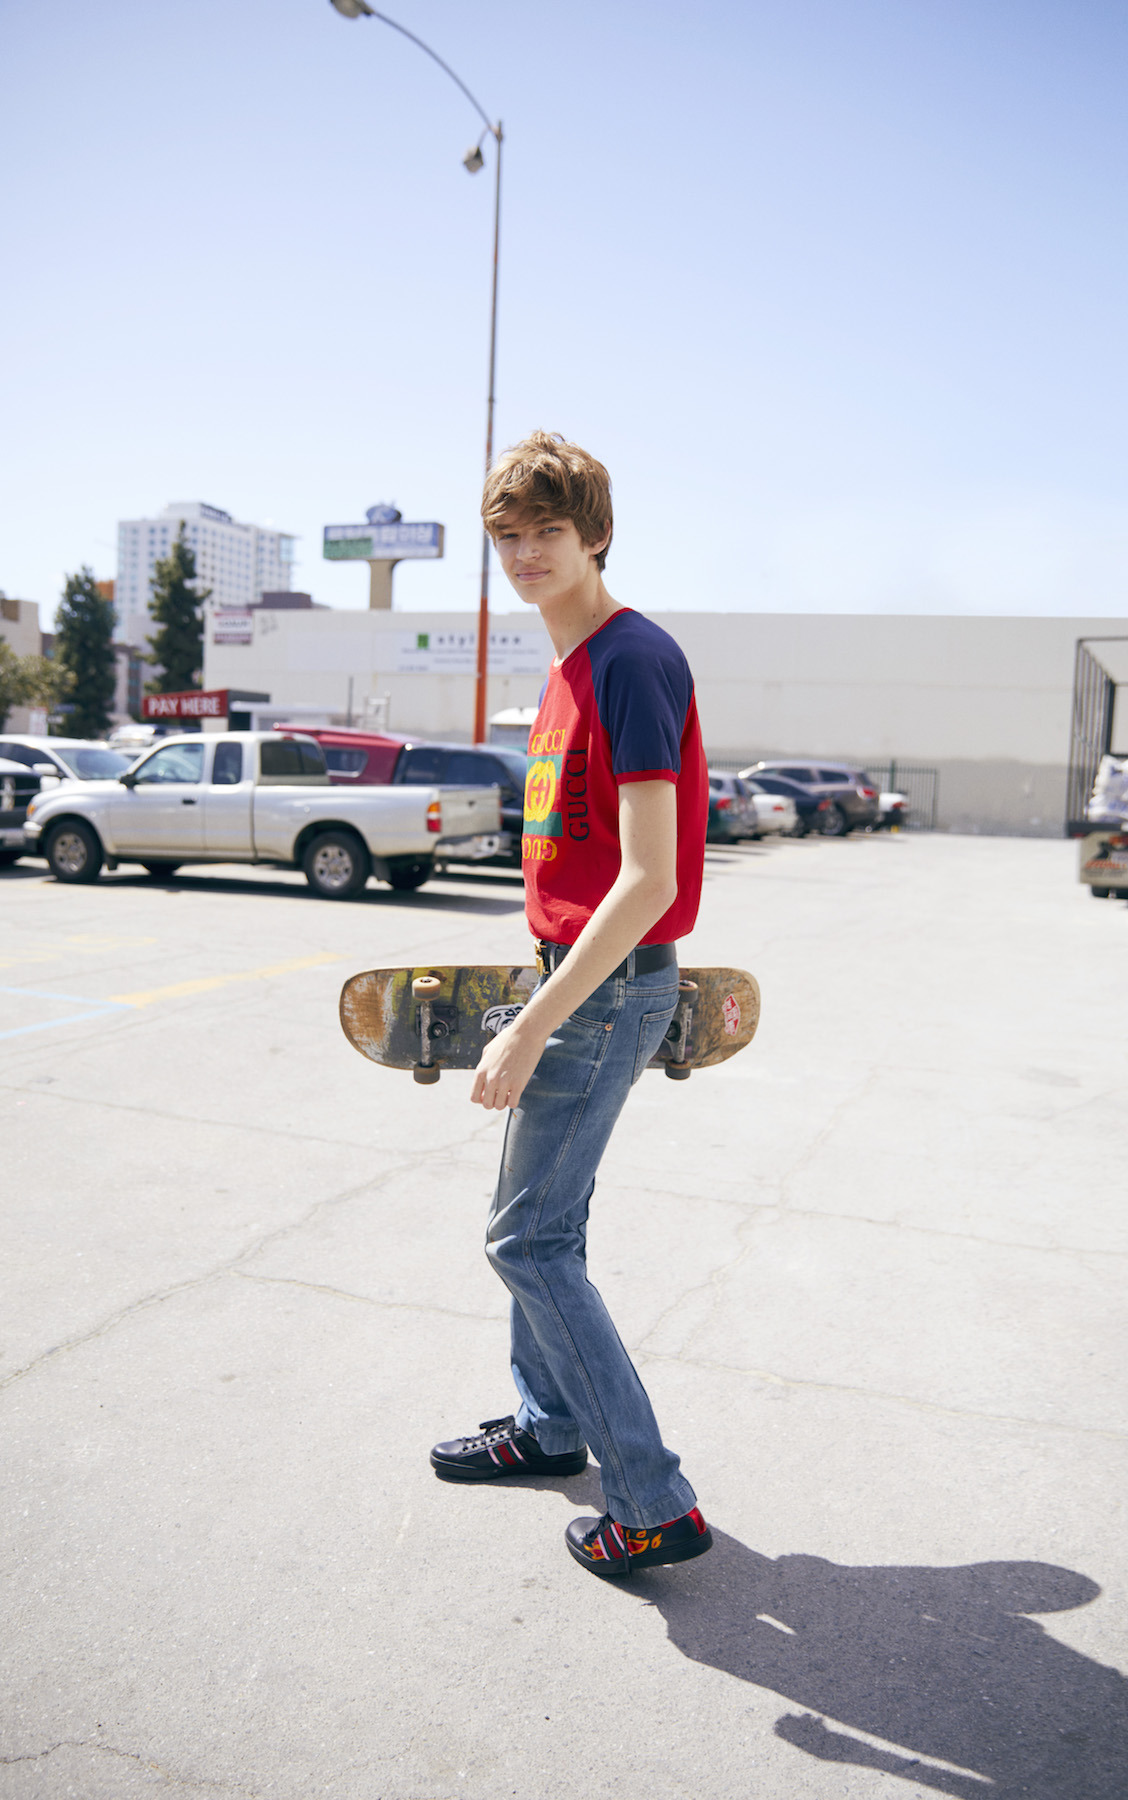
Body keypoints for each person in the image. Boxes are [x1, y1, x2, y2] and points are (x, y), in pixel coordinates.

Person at [429, 432, 714, 1578]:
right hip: (575, 982)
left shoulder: (630, 660)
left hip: (598, 995)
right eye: (508, 536)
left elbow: (648, 880)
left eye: (547, 531)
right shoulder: (564, 671)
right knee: (548, 1226)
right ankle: (549, 1428)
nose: (526, 553)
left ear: (595, 535)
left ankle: (651, 1501)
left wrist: (534, 1024)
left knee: (527, 1241)